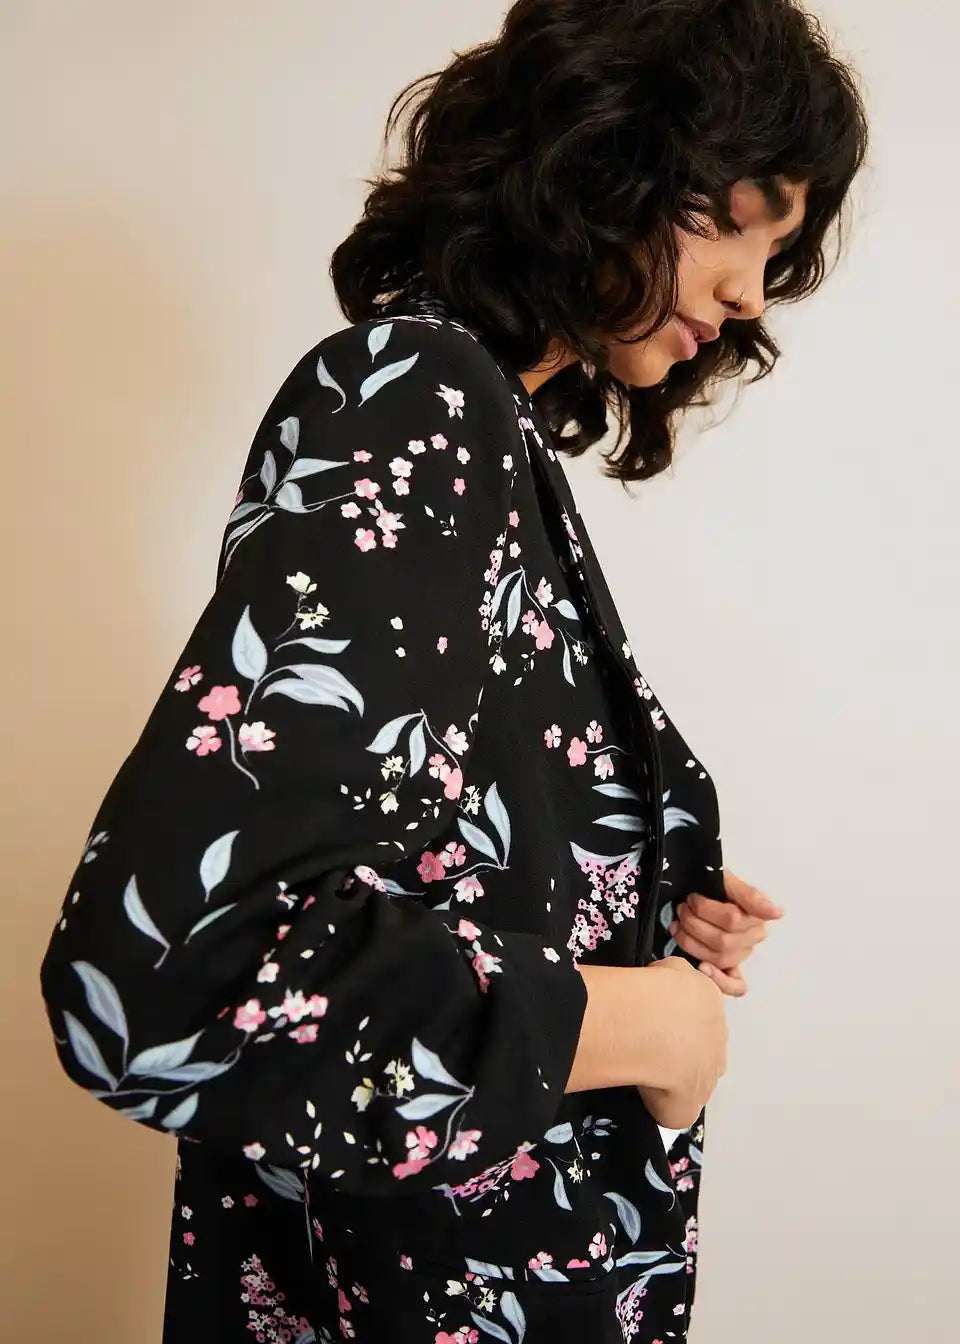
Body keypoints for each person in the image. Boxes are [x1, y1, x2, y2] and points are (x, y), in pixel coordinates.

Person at [39, 1, 868, 1340]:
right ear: (602, 164)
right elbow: (169, 974)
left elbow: (405, 859)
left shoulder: (485, 432)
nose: (748, 296)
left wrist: (627, 897)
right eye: (736, 225)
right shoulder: (418, 400)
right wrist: (642, 1022)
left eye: (778, 256)